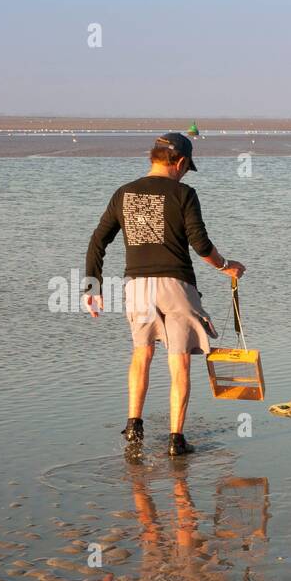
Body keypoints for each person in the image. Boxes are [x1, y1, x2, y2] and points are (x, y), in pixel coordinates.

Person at [83, 132, 246, 455]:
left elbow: (98, 239)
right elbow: (200, 245)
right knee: (179, 360)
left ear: (152, 157)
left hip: (137, 288)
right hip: (176, 287)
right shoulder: (184, 193)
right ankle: (176, 440)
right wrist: (226, 265)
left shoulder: (124, 193)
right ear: (180, 162)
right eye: (186, 168)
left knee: (141, 352)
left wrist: (92, 285)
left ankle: (133, 426)